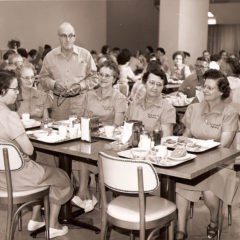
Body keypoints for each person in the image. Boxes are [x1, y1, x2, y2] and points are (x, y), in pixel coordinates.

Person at [0, 70, 73, 238]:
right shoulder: (9, 116)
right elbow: (29, 150)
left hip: (1, 179)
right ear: (2, 91)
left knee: (46, 171)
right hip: (18, 177)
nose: (18, 92)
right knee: (61, 176)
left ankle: (36, 217)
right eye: (14, 89)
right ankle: (53, 224)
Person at [175, 69, 239, 240]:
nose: (205, 90)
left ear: (221, 92)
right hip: (194, 160)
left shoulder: (230, 113)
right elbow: (186, 135)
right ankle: (181, 230)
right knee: (180, 183)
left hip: (220, 164)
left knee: (209, 192)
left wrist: (195, 147)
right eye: (204, 86)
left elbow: (224, 145)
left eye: (210, 88)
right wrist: (177, 144)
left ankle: (213, 222)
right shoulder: (194, 108)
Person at [72, 60, 128, 212]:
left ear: (114, 79)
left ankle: (84, 192)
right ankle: (87, 194)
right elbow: (80, 118)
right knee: (75, 154)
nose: (103, 78)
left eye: (108, 76)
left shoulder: (119, 98)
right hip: (89, 139)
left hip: (108, 142)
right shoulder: (89, 95)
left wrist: (97, 128)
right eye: (101, 74)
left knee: (83, 154)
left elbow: (117, 126)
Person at [39, 22, 98, 120]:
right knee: (59, 132)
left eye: (71, 36)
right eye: (63, 36)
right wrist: (53, 84)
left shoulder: (85, 55)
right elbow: (42, 78)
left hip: (81, 103)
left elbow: (94, 78)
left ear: (74, 37)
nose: (67, 39)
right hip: (59, 104)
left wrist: (80, 86)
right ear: (58, 37)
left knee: (81, 132)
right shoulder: (50, 57)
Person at [127, 67, 176, 134]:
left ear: (163, 87)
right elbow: (126, 131)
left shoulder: (168, 109)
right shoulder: (134, 104)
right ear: (144, 84)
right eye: (152, 83)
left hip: (155, 144)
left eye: (159, 85)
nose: (155, 87)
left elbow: (166, 138)